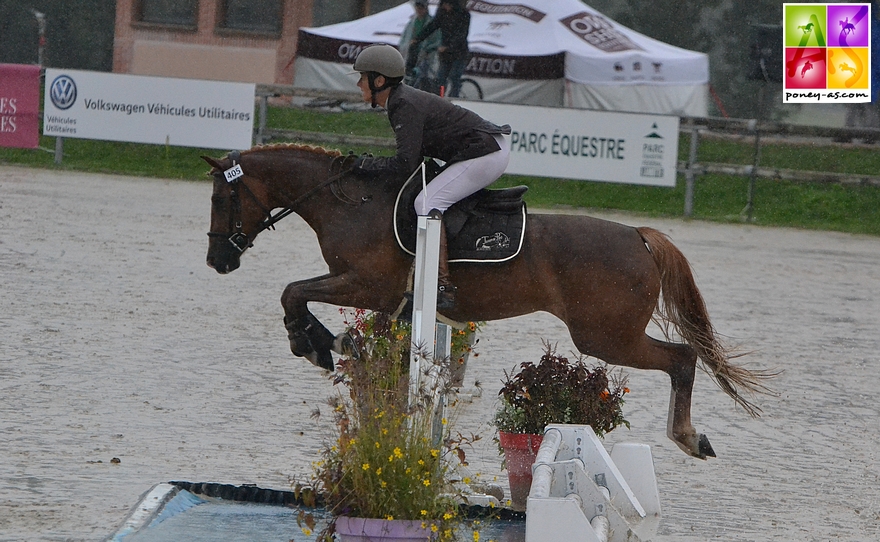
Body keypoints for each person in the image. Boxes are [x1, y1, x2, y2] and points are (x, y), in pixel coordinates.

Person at [350, 44, 511, 310]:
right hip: (480, 148)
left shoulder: (402, 103)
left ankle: (442, 286)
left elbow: (404, 163)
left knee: (426, 203)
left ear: (379, 81)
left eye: (361, 77)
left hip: (486, 153)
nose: (358, 84)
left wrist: (366, 165)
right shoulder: (398, 100)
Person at [411, 0, 470, 97]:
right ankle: (439, 99)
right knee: (440, 79)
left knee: (454, 77)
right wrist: (418, 39)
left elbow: (462, 34)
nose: (445, 7)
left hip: (459, 52)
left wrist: (448, 46)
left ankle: (454, 99)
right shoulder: (442, 14)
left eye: (447, 4)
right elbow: (431, 27)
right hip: (445, 54)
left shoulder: (464, 15)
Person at [398, 0, 440, 93]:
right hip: (412, 52)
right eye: (417, 8)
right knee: (409, 74)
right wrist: (405, 47)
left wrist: (429, 48)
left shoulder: (431, 23)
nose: (419, 10)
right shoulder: (412, 22)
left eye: (421, 8)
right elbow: (405, 38)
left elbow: (436, 39)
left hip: (425, 54)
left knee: (423, 75)